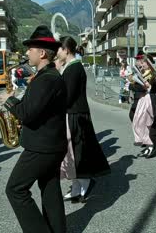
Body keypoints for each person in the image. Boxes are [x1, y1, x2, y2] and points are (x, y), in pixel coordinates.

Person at [3, 25, 68, 233]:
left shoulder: (47, 79)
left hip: (42, 146)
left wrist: (10, 101)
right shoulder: (47, 77)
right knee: (49, 189)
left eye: (30, 49)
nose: (26, 53)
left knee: (15, 189)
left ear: (41, 53)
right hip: (51, 144)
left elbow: (27, 113)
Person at [58, 36, 110, 203]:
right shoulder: (69, 66)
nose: (57, 52)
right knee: (69, 153)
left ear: (66, 50)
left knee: (77, 152)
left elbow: (68, 96)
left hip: (75, 114)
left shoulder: (74, 68)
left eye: (59, 49)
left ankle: (85, 182)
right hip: (71, 114)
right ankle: (75, 185)